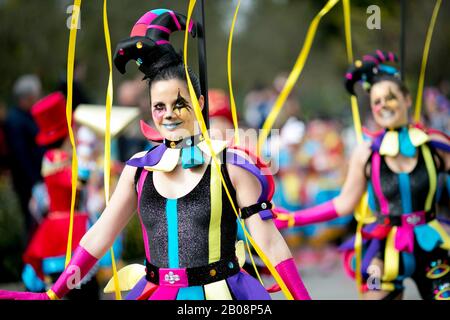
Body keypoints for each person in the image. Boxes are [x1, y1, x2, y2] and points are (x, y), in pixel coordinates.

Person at [0, 9, 310, 301]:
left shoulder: (230, 166)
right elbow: (98, 237)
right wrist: (53, 293)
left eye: (179, 104)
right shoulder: (138, 170)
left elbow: (269, 241)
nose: (169, 115)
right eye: (159, 107)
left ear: (199, 102)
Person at [274, 51, 450, 300]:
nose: (384, 105)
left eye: (391, 97)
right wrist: (293, 218)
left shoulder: (433, 145)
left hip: (431, 246)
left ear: (407, 99)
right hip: (383, 252)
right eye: (377, 101)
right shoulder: (366, 152)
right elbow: (343, 203)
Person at [21, 91, 99, 299]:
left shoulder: (56, 157)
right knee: (78, 287)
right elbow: (79, 181)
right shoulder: (57, 157)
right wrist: (86, 155)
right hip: (67, 229)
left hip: (61, 225)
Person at [4, 75, 45, 238]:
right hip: (27, 182)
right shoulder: (15, 120)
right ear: (27, 97)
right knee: (32, 223)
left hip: (35, 179)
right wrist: (35, 180)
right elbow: (20, 155)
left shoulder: (28, 115)